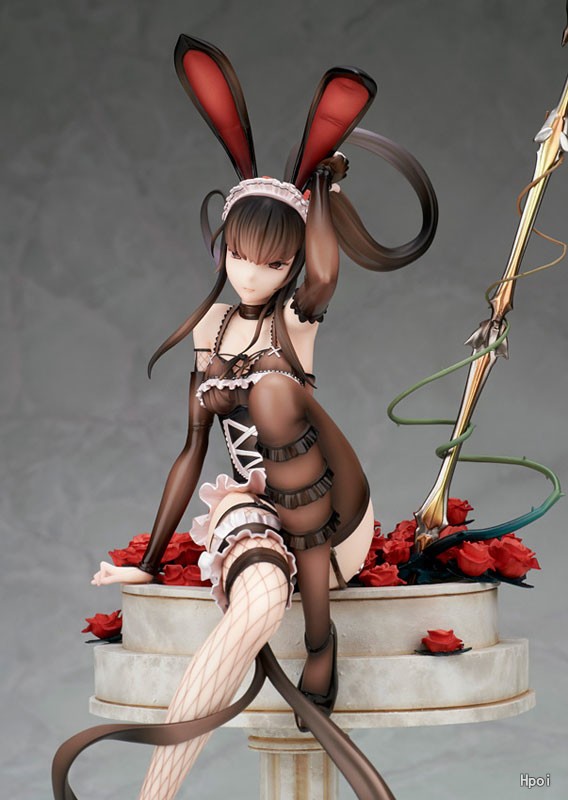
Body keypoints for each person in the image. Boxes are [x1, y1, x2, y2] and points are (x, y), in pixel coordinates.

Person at [52, 35, 437, 800]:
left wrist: (319, 190)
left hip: (335, 509)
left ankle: (320, 640)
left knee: (272, 394)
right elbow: (191, 451)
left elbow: (323, 274)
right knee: (256, 604)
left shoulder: (297, 321)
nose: (252, 272)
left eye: (272, 261)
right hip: (256, 503)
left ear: (291, 265)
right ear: (223, 245)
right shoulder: (211, 331)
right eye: (241, 254)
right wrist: (148, 556)